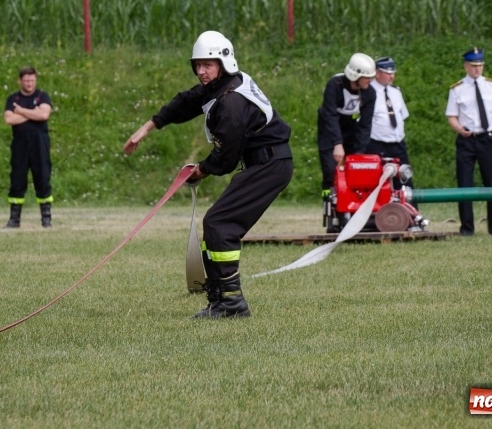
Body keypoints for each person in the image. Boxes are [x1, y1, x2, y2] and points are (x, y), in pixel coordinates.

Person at [124, 31, 293, 319]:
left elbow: (225, 158)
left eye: (208, 64)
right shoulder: (221, 86)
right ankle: (220, 299)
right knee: (216, 224)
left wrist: (199, 170)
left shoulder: (231, 104)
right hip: (264, 164)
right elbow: (187, 101)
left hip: (270, 166)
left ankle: (231, 303)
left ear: (224, 63)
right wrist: (149, 126)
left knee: (220, 224)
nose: (201, 71)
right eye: (198, 65)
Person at [445, 48, 492, 236]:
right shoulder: (457, 88)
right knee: (464, 184)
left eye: (480, 65)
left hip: (487, 138)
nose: (477, 69)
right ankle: (467, 228)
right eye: (474, 66)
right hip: (466, 140)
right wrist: (460, 129)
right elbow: (451, 116)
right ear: (466, 66)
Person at [317, 53, 377, 193]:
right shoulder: (334, 85)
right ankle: (329, 200)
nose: (370, 80)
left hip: (351, 127)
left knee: (355, 168)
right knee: (330, 170)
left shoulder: (370, 93)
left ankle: (352, 204)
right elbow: (330, 115)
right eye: (367, 77)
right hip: (329, 127)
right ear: (355, 75)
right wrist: (337, 144)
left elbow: (365, 124)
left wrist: (359, 152)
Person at [3, 66, 53, 228]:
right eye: (26, 80)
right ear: (20, 81)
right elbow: (9, 119)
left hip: (39, 143)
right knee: (17, 178)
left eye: (32, 80)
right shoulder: (13, 99)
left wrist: (22, 111)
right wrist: (33, 113)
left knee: (42, 177)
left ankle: (46, 218)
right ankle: (14, 219)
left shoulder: (42, 96)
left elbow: (44, 115)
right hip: (20, 144)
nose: (29, 83)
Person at [365, 56, 415, 195]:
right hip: (377, 145)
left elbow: (401, 116)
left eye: (393, 73)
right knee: (378, 183)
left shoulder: (396, 92)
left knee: (405, 181)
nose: (391, 76)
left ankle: (410, 214)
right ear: (377, 73)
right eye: (387, 73)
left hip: (398, 144)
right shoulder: (369, 92)